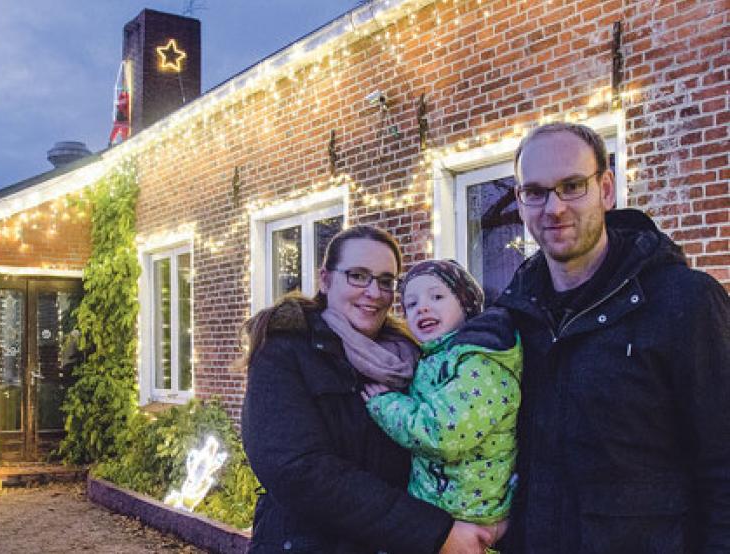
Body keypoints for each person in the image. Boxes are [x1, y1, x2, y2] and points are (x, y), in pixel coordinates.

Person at [494, 122, 730, 552]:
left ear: (606, 189)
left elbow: (723, 466)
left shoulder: (684, 302)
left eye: (572, 186)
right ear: (520, 201)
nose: (554, 207)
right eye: (536, 192)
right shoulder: (514, 317)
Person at [241, 225, 501, 554]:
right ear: (326, 279)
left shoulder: (408, 356)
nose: (374, 292)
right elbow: (298, 471)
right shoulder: (285, 350)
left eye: (386, 281)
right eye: (358, 276)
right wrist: (433, 532)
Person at [363, 260, 520, 546]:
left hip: (468, 515)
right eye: (411, 304)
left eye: (437, 297)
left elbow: (443, 433)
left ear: (467, 304)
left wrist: (384, 404)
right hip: (439, 507)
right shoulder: (437, 357)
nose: (422, 307)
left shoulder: (481, 360)